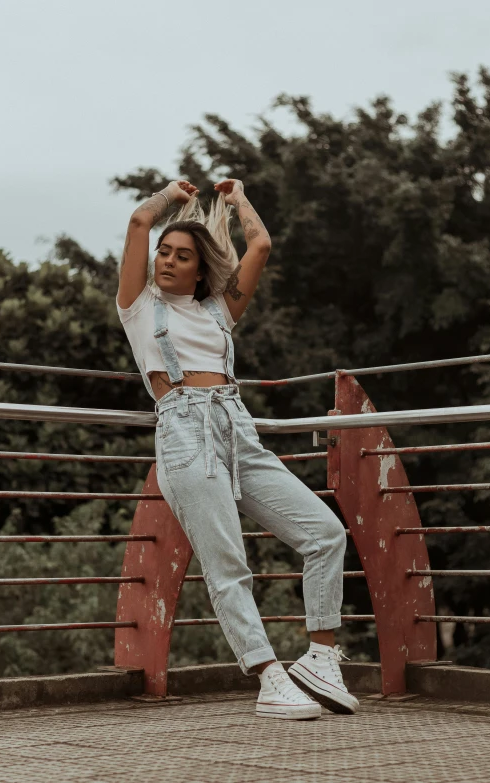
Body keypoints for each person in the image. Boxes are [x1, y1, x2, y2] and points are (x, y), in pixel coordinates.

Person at [116, 178, 359, 720]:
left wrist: (238, 198)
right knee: (229, 564)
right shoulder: (137, 307)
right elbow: (137, 223)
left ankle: (320, 656)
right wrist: (168, 197)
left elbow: (262, 246)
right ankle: (268, 676)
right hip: (185, 435)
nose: (168, 262)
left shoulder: (218, 312)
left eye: (183, 256)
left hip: (238, 432)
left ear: (201, 269)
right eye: (165, 252)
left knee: (324, 533)